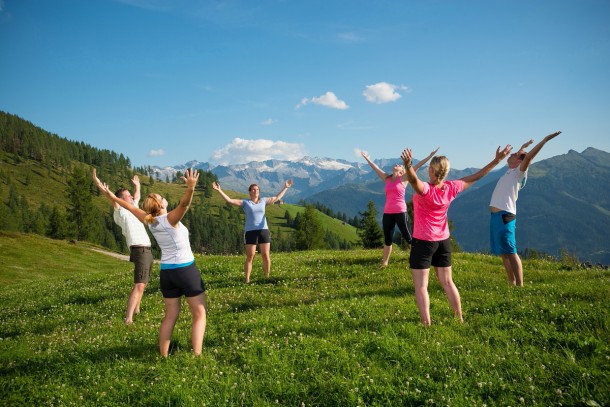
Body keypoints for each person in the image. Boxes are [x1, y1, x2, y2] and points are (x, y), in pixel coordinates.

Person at [94, 168, 207, 357]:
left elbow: (129, 207)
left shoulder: (149, 221)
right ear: (160, 204)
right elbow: (184, 204)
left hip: (167, 273)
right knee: (199, 314)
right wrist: (190, 187)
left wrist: (110, 194)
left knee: (170, 316)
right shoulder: (170, 219)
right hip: (186, 270)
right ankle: (197, 355)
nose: (164, 198)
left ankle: (163, 355)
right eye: (161, 197)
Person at [401, 145, 512, 325]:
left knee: (421, 286)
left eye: (429, 167)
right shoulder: (452, 188)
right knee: (447, 282)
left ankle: (427, 324)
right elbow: (478, 175)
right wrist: (497, 161)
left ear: (432, 170)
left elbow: (413, 181)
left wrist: (408, 165)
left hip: (424, 241)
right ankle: (459, 318)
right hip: (443, 241)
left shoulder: (427, 191)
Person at [489, 131, 562, 287]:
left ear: (519, 161)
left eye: (515, 154)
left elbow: (528, 157)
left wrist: (545, 140)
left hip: (505, 215)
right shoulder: (510, 171)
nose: (512, 154)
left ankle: (520, 285)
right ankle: (511, 282)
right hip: (496, 216)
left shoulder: (518, 173)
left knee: (510, 250)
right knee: (503, 252)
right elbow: (522, 155)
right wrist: (523, 147)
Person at [92, 169, 153, 325]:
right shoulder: (120, 212)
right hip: (139, 248)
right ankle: (128, 318)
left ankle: (137, 310)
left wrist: (137, 185)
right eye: (128, 196)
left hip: (145, 248)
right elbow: (111, 197)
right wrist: (99, 184)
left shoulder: (134, 207)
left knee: (143, 282)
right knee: (139, 284)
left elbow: (137, 196)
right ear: (121, 199)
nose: (131, 197)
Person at [361, 148, 439, 267]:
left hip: (401, 212)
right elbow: (375, 168)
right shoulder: (387, 178)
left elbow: (418, 165)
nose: (397, 164)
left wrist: (430, 155)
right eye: (396, 164)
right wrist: (367, 158)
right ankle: (385, 262)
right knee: (387, 239)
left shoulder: (404, 178)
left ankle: (418, 259)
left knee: (409, 238)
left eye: (400, 165)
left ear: (403, 170)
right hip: (387, 213)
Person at [212, 179, 293, 284]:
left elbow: (277, 197)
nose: (256, 191)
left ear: (259, 191)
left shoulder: (264, 201)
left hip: (263, 230)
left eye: (257, 189)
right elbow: (230, 201)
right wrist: (219, 190)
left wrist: (285, 187)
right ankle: (247, 279)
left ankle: (266, 277)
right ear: (250, 192)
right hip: (250, 232)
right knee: (250, 256)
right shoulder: (245, 202)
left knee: (266, 255)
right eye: (253, 190)